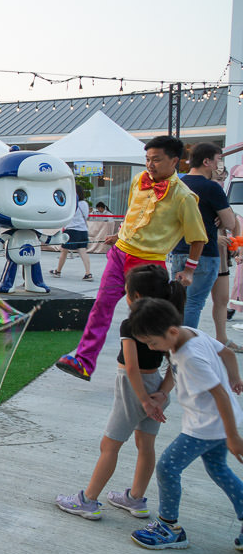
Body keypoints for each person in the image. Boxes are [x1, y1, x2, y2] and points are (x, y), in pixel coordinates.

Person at [55, 136, 207, 382]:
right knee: (101, 306)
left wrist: (189, 270)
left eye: (156, 159)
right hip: (119, 254)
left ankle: (151, 370)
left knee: (146, 319)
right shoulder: (139, 181)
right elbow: (134, 216)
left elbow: (198, 237)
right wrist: (119, 235)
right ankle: (83, 361)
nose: (150, 164)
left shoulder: (184, 197)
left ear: (175, 161)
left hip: (148, 264)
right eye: (147, 159)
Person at [55, 265, 185, 520]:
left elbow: (132, 368)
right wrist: (162, 394)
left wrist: (145, 401)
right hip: (156, 386)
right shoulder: (170, 322)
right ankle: (135, 499)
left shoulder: (131, 325)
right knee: (145, 444)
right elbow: (175, 362)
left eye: (126, 292)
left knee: (109, 445)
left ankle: (88, 501)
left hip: (133, 389)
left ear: (136, 297)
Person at [125, 296, 243, 550]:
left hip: (207, 426)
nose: (153, 348)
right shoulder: (191, 333)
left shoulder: (190, 358)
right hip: (216, 422)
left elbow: (220, 395)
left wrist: (233, 437)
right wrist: (235, 378)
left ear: (172, 331)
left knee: (168, 467)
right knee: (219, 470)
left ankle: (169, 527)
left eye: (153, 343)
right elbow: (228, 353)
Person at [167, 142, 235, 329]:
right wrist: (220, 217)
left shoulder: (177, 184)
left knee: (179, 302)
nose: (219, 165)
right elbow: (230, 222)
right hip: (205, 253)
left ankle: (173, 347)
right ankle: (186, 347)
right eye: (218, 160)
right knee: (194, 304)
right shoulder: (212, 188)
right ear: (207, 161)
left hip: (179, 251)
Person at [50, 184, 93, 281]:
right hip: (83, 230)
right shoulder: (85, 204)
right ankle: (88, 273)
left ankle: (58, 271)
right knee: (83, 251)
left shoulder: (71, 203)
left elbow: (66, 215)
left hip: (71, 230)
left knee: (64, 250)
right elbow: (86, 216)